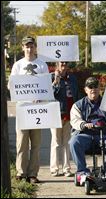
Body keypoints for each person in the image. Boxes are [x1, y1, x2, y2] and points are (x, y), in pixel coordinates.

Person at [8, 36, 49, 183]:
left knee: (36, 144)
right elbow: (11, 86)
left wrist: (40, 97)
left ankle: (32, 174)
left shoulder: (42, 65)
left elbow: (46, 86)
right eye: (27, 46)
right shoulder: (18, 65)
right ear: (22, 48)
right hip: (23, 108)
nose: (29, 49)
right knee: (22, 143)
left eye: (31, 46)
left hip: (37, 109)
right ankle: (21, 172)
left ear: (35, 48)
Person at [69, 77, 106, 180]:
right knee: (74, 141)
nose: (93, 89)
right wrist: (84, 124)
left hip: (103, 135)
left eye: (95, 86)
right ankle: (82, 171)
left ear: (100, 89)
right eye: (90, 87)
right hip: (86, 135)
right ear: (86, 90)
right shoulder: (78, 105)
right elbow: (75, 120)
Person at [50, 61, 79, 177]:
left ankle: (67, 168)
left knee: (67, 142)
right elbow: (51, 95)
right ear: (57, 64)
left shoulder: (72, 78)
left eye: (66, 63)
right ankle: (54, 168)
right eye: (61, 63)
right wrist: (56, 81)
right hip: (56, 113)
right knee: (56, 142)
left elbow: (76, 94)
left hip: (69, 113)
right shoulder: (51, 77)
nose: (64, 65)